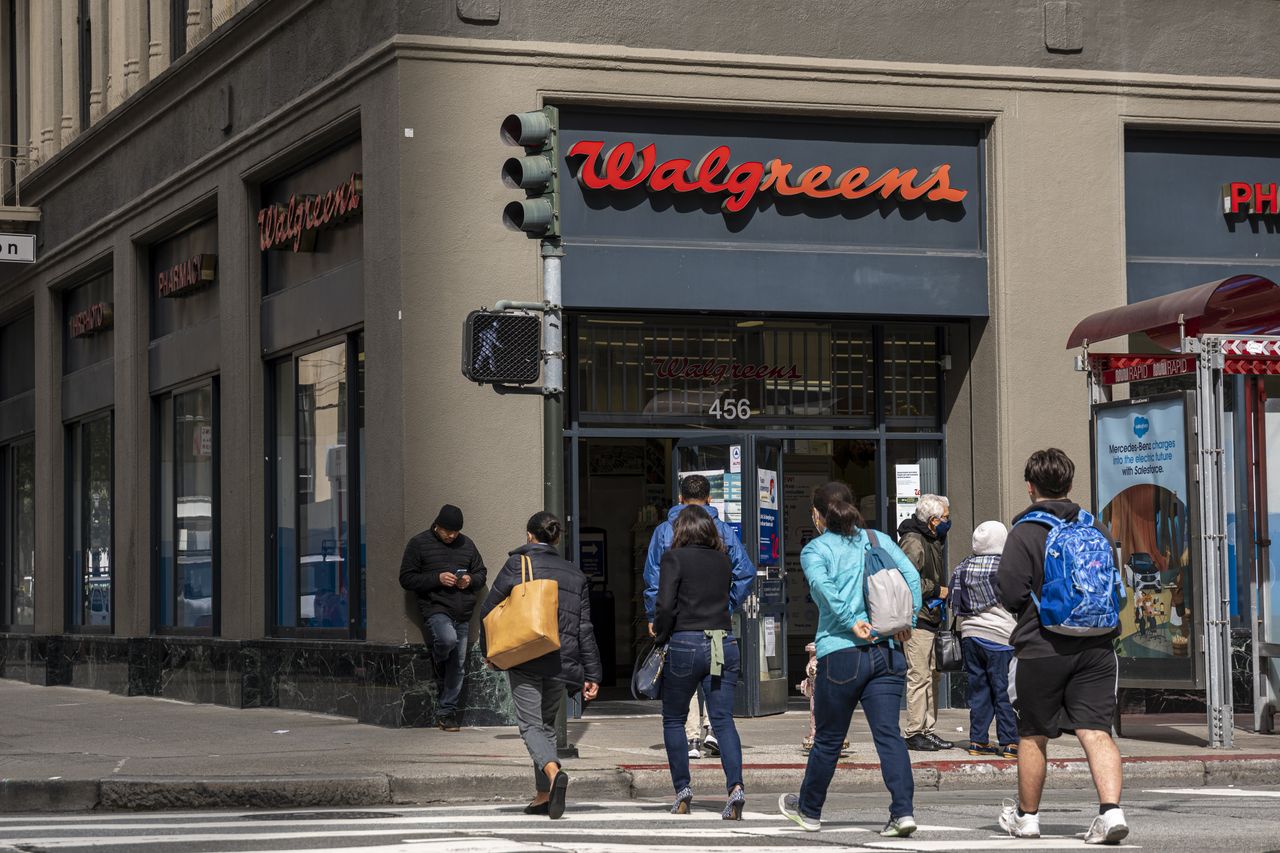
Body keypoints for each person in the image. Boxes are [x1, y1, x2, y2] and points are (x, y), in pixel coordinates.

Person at [996, 448, 1128, 845]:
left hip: (1042, 646)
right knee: (1096, 731)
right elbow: (1116, 586)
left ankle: (1028, 817)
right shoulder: (1096, 527)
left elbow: (1010, 591)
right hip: (1098, 647)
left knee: (1033, 734)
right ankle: (1110, 812)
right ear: (1070, 485)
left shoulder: (1025, 531)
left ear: (1030, 486)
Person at [779, 482, 922, 838]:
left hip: (841, 652)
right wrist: (909, 621)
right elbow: (912, 581)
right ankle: (902, 812)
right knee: (889, 735)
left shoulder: (816, 549)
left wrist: (851, 622)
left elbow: (824, 590)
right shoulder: (878, 539)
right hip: (888, 651)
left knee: (828, 738)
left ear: (816, 514)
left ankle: (810, 810)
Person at [479, 511, 602, 820]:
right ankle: (543, 795)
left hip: (526, 655)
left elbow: (489, 609)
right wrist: (593, 673)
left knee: (530, 725)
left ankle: (553, 770)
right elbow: (584, 628)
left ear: (529, 536)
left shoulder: (518, 564)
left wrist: (489, 651)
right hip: (562, 660)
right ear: (557, 538)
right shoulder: (575, 574)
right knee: (545, 727)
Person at [644, 474, 754, 759]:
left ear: (680, 498)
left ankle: (691, 736)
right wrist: (726, 605)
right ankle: (713, 730)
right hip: (716, 625)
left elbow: (654, 578)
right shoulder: (723, 530)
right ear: (709, 499)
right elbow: (745, 572)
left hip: (679, 621)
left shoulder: (664, 531)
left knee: (682, 677)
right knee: (714, 676)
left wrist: (654, 615)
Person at [654, 505, 746, 820]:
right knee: (722, 720)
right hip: (722, 641)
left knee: (673, 719)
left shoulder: (673, 559)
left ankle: (682, 791)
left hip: (686, 642)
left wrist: (660, 635)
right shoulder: (722, 560)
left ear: (680, 530)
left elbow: (665, 605)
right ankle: (735, 789)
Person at [398, 504, 487, 732]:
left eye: (456, 531)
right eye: (448, 531)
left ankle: (447, 713)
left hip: (463, 611)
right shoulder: (419, 543)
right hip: (436, 608)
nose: (452, 535)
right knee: (447, 641)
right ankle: (439, 661)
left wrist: (469, 580)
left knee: (458, 666)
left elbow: (481, 573)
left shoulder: (467, 545)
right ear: (437, 525)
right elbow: (406, 579)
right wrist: (437, 578)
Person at [949, 521, 1019, 759]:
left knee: (979, 691)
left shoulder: (963, 567)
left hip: (971, 636)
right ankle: (1010, 742)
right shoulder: (1007, 568)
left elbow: (954, 602)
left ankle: (978, 741)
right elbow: (1019, 600)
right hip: (1001, 637)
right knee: (1004, 691)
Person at [896, 493, 954, 751]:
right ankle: (913, 731)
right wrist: (935, 589)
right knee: (919, 676)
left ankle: (927, 729)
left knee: (933, 676)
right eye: (945, 517)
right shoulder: (914, 541)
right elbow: (904, 580)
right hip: (916, 620)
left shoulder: (933, 539)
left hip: (931, 617)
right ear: (932, 520)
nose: (947, 522)